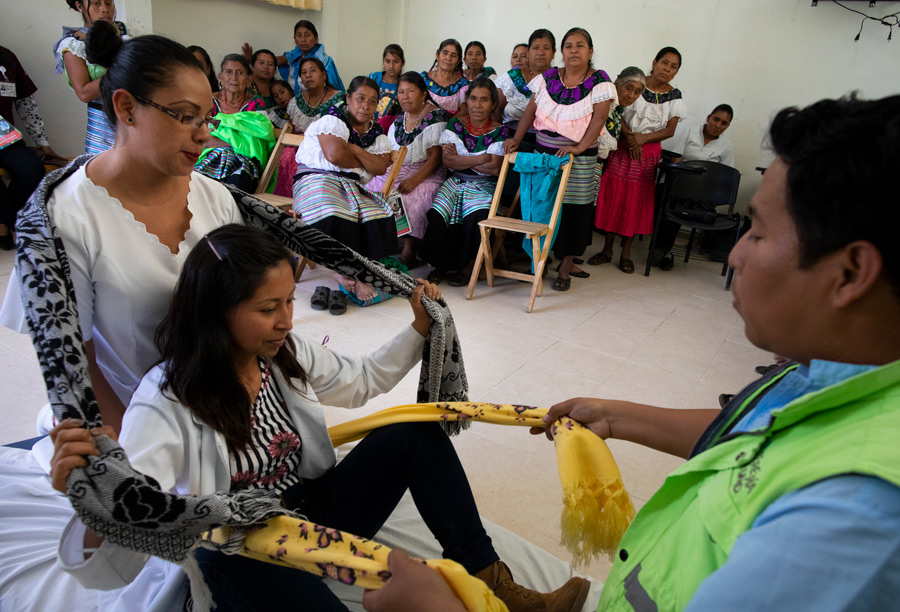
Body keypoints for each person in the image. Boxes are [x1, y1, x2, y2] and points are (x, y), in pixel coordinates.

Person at [364, 93, 900, 612]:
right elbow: (754, 432)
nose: (735, 252)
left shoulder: (852, 518)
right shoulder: (836, 377)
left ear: (850, 273)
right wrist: (615, 416)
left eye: (757, 232)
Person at [50, 224, 591, 612]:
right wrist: (96, 494)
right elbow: (136, 512)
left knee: (414, 434)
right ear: (216, 312)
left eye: (289, 301)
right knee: (226, 557)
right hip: (249, 547)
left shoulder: (280, 354)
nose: (286, 319)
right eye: (268, 308)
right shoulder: (166, 400)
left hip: (312, 514)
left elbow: (359, 380)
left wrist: (420, 329)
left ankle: (498, 585)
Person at [0, 32, 243, 433]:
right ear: (127, 107)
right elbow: (75, 357)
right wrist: (130, 453)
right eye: (185, 116)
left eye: (206, 118)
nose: (203, 134)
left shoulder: (215, 199)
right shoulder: (65, 217)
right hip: (125, 419)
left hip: (214, 408)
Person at [503, 27, 615, 292]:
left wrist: (579, 147)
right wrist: (517, 139)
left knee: (575, 210)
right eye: (568, 45)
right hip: (545, 153)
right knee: (545, 205)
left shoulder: (600, 81)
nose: (573, 50)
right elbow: (531, 109)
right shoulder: (548, 77)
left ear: (590, 51)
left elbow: (599, 118)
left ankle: (566, 263)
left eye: (580, 45)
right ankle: (541, 258)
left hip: (580, 157)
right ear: (561, 52)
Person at [291, 76, 398, 307]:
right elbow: (334, 156)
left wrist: (352, 147)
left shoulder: (376, 133)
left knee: (376, 211)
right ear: (348, 98)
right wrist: (362, 159)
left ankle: (350, 273)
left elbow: (379, 167)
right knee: (332, 208)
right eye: (360, 98)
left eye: (372, 101)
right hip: (314, 178)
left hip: (350, 185)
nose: (365, 106)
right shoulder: (333, 119)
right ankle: (344, 272)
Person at [593, 46, 685, 274]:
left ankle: (626, 253)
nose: (667, 69)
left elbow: (670, 130)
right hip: (623, 145)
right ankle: (607, 250)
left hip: (648, 153)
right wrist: (632, 138)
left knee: (636, 202)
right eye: (665, 62)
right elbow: (617, 111)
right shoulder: (635, 83)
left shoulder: (675, 96)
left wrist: (643, 139)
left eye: (673, 66)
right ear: (654, 62)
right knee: (614, 195)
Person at [421, 78, 509, 287]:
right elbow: (447, 160)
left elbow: (495, 168)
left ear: (493, 104)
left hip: (484, 185)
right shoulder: (455, 124)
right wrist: (480, 158)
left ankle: (467, 266)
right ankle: (440, 264)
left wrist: (462, 160)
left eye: (484, 100)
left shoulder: (501, 131)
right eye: (473, 99)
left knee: (476, 217)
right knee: (438, 213)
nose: (478, 105)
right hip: (455, 180)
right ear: (467, 101)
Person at [367, 71, 450, 266]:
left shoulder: (434, 117)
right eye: (401, 92)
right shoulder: (399, 119)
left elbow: (436, 159)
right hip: (398, 167)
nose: (405, 96)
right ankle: (380, 243)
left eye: (410, 91)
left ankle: (409, 249)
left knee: (410, 198)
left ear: (423, 94)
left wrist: (414, 180)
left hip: (426, 173)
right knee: (370, 187)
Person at [651, 103, 736, 270]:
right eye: (716, 119)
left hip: (705, 194)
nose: (718, 125)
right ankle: (662, 249)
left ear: (728, 126)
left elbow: (725, 176)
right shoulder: (690, 132)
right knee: (667, 198)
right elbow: (676, 160)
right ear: (708, 118)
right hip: (680, 185)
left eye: (724, 123)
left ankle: (663, 250)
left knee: (678, 206)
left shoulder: (727, 146)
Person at [0, 46, 65, 251]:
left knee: (32, 169)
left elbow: (26, 104)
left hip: (5, 137)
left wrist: (42, 143)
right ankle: (5, 226)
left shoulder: (7, 57)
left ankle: (9, 219)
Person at [54, 1, 128, 155]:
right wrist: (124, 71)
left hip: (135, 120)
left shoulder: (126, 35)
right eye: (96, 4)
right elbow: (84, 93)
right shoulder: (74, 44)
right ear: (80, 6)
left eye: (109, 3)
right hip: (102, 129)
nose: (104, 9)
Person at [193, 54, 273, 193]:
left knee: (237, 182)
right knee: (197, 183)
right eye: (228, 72)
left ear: (249, 80)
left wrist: (219, 139)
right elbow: (197, 133)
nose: (234, 78)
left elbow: (258, 142)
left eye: (240, 73)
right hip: (209, 156)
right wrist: (238, 139)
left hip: (244, 162)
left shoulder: (256, 103)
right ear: (220, 77)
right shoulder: (208, 100)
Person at [271, 58, 343, 198]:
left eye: (312, 71)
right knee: (286, 156)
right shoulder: (295, 102)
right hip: (298, 152)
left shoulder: (339, 99)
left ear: (323, 74)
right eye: (303, 73)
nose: (308, 75)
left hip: (326, 151)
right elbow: (291, 131)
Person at [245, 20, 345, 96]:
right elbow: (275, 61)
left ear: (316, 38)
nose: (303, 40)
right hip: (294, 104)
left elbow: (332, 89)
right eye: (299, 35)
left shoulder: (323, 60)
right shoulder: (296, 53)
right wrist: (253, 61)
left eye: (307, 35)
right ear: (295, 39)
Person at [495, 29, 556, 135]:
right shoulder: (513, 76)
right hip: (509, 138)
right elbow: (496, 109)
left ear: (553, 53)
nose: (540, 53)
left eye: (546, 48)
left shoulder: (559, 79)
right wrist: (500, 136)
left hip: (547, 142)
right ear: (528, 52)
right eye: (535, 48)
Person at [421, 39, 469, 116]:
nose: (448, 58)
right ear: (437, 55)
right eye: (445, 53)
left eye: (453, 55)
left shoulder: (462, 84)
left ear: (458, 61)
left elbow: (464, 111)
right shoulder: (423, 79)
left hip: (449, 126)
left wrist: (445, 126)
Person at [368, 44, 405, 124]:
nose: (391, 66)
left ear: (402, 63)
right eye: (387, 61)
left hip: (388, 127)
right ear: (383, 61)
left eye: (396, 62)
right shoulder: (373, 78)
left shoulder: (403, 85)